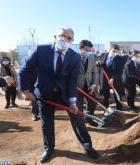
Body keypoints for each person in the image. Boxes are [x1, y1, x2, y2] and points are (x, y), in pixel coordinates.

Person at [19, 28, 99, 163]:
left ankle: (87, 146)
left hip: (65, 94)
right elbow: (24, 69)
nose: (65, 40)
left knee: (78, 119)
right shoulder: (41, 50)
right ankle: (49, 148)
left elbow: (72, 80)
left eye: (69, 38)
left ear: (72, 41)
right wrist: (26, 91)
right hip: (44, 93)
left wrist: (73, 102)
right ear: (55, 36)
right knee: (47, 122)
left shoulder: (74, 56)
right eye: (63, 36)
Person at [76, 40, 99, 126]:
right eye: (87, 50)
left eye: (90, 50)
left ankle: (88, 119)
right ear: (80, 49)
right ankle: (80, 123)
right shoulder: (73, 57)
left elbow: (95, 72)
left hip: (89, 85)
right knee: (79, 106)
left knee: (92, 102)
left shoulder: (91, 57)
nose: (89, 52)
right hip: (77, 86)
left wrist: (94, 84)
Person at [98, 44, 125, 111]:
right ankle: (106, 110)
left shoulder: (120, 58)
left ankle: (119, 109)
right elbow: (100, 63)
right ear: (110, 49)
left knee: (117, 94)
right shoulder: (103, 55)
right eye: (113, 51)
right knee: (105, 95)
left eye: (116, 51)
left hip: (115, 78)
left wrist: (113, 78)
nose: (114, 53)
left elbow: (120, 70)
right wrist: (99, 63)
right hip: (104, 78)